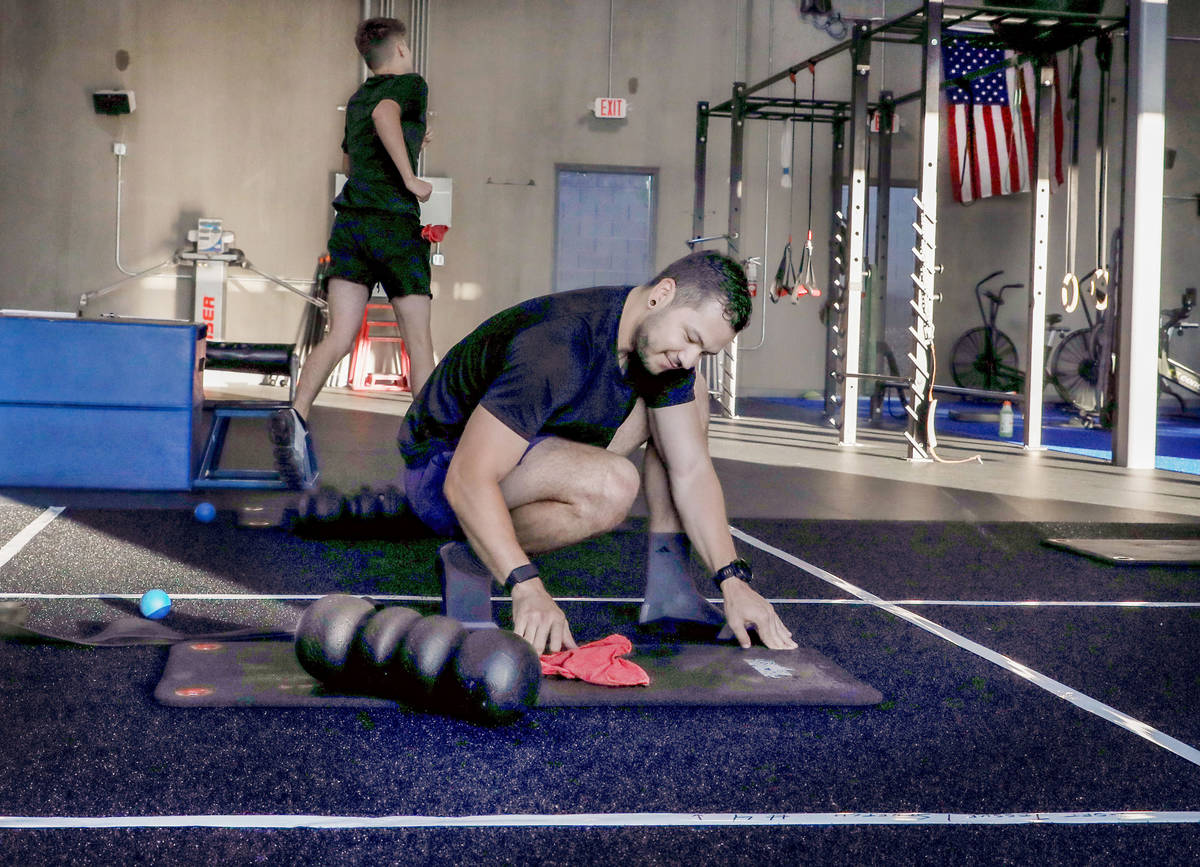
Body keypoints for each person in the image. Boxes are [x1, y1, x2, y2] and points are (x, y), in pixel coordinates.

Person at [398, 250, 798, 655]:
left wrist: (733, 581)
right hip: (441, 470)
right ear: (661, 294)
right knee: (611, 485)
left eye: (704, 352)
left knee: (689, 396)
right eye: (691, 338)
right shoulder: (559, 342)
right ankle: (472, 558)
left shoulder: (653, 343)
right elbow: (467, 477)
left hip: (527, 449)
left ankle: (670, 594)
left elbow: (690, 469)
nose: (689, 357)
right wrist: (527, 586)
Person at [273, 17, 435, 484]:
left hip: (351, 226)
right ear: (401, 49)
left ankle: (297, 415)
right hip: (392, 225)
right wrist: (409, 178)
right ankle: (428, 453)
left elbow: (354, 158)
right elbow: (387, 116)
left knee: (340, 335)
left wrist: (408, 142)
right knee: (418, 344)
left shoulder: (357, 97)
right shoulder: (411, 84)